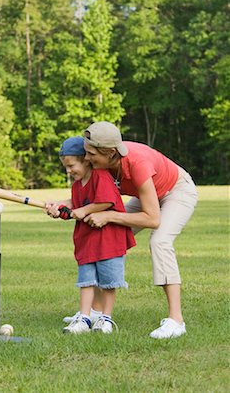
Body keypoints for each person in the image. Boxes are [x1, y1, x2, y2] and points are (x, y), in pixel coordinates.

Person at [74, 121, 198, 339]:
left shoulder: (137, 164)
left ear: (111, 152)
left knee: (160, 241)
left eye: (91, 154)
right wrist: (60, 206)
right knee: (104, 236)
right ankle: (93, 312)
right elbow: (93, 201)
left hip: (176, 191)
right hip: (147, 196)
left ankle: (176, 321)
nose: (86, 159)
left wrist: (109, 216)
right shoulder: (102, 166)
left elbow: (152, 218)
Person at [47, 136, 136, 334]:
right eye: (66, 167)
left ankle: (105, 318)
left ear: (86, 160)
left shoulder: (100, 176)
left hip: (108, 241)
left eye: (71, 166)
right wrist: (60, 211)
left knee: (108, 282)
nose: (69, 171)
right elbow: (75, 210)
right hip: (87, 241)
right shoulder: (77, 186)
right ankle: (85, 318)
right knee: (86, 281)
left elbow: (106, 201)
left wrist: (84, 210)